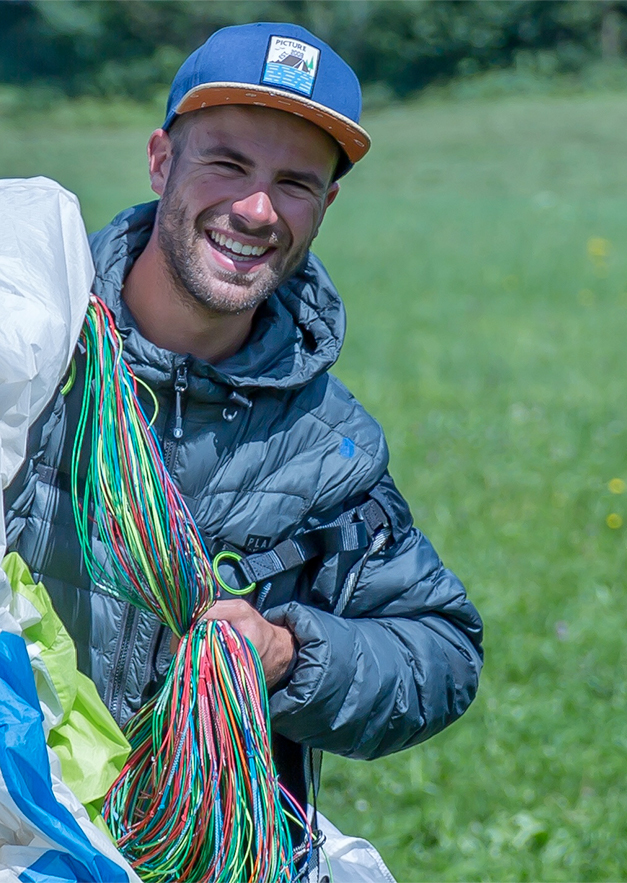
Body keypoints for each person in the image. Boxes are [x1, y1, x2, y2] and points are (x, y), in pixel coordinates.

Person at [4, 22, 483, 825]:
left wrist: (290, 653)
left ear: (326, 205)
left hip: (189, 848)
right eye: (227, 164)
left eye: (296, 182)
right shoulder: (32, 340)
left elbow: (441, 652)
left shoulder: (328, 447)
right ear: (162, 161)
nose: (257, 209)